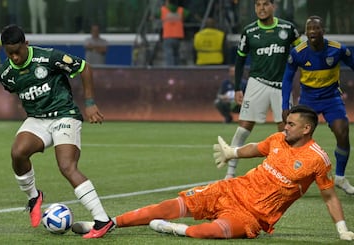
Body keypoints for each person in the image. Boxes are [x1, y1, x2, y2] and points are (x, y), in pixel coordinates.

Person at [72, 105, 354, 241]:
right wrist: (233, 152)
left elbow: (328, 196)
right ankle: (110, 222)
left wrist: (341, 229)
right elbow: (257, 147)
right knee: (171, 205)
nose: (285, 128)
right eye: (286, 123)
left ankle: (176, 230)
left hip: (252, 215)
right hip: (229, 190)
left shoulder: (317, 159)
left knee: (211, 232)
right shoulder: (278, 139)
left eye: (291, 124)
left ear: (307, 129)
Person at [0, 24, 113, 239]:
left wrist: (89, 103)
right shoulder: (5, 73)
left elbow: (85, 68)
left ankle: (102, 220)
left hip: (64, 114)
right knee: (17, 153)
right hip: (37, 120)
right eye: (9, 53)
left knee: (67, 166)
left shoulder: (48, 57)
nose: (14, 57)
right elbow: (19, 89)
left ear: (26, 44)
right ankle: (34, 197)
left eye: (18, 51)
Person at [224, 0, 301, 179]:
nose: (261, 8)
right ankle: (230, 172)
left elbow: (302, 53)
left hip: (282, 86)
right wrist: (237, 88)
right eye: (258, 5)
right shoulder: (249, 31)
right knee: (243, 129)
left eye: (266, 4)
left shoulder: (288, 28)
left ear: (273, 6)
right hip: (257, 83)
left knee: (285, 131)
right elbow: (240, 60)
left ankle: (285, 172)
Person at [282, 16, 354, 195]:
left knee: (342, 131)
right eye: (310, 29)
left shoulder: (338, 50)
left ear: (323, 31)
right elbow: (287, 80)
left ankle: (340, 177)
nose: (313, 31)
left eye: (316, 28)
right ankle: (291, 177)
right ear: (306, 33)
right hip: (308, 100)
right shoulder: (298, 52)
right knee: (296, 138)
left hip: (331, 98)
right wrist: (285, 105)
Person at [158, 0, 189, 66]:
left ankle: (171, 71)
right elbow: (188, 14)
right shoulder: (181, 10)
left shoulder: (163, 10)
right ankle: (177, 69)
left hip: (168, 36)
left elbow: (155, 15)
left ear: (168, 2)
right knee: (176, 54)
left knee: (169, 56)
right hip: (178, 36)